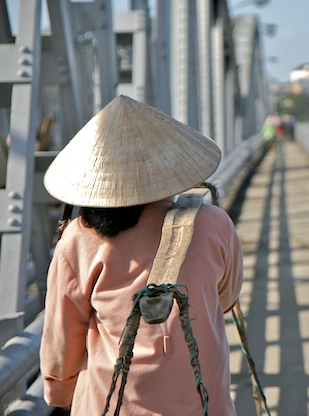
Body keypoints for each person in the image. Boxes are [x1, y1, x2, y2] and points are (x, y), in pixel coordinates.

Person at [40, 95, 243, 415]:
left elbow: (62, 342)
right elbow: (226, 297)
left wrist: (60, 391)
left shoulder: (80, 239)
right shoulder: (214, 223)